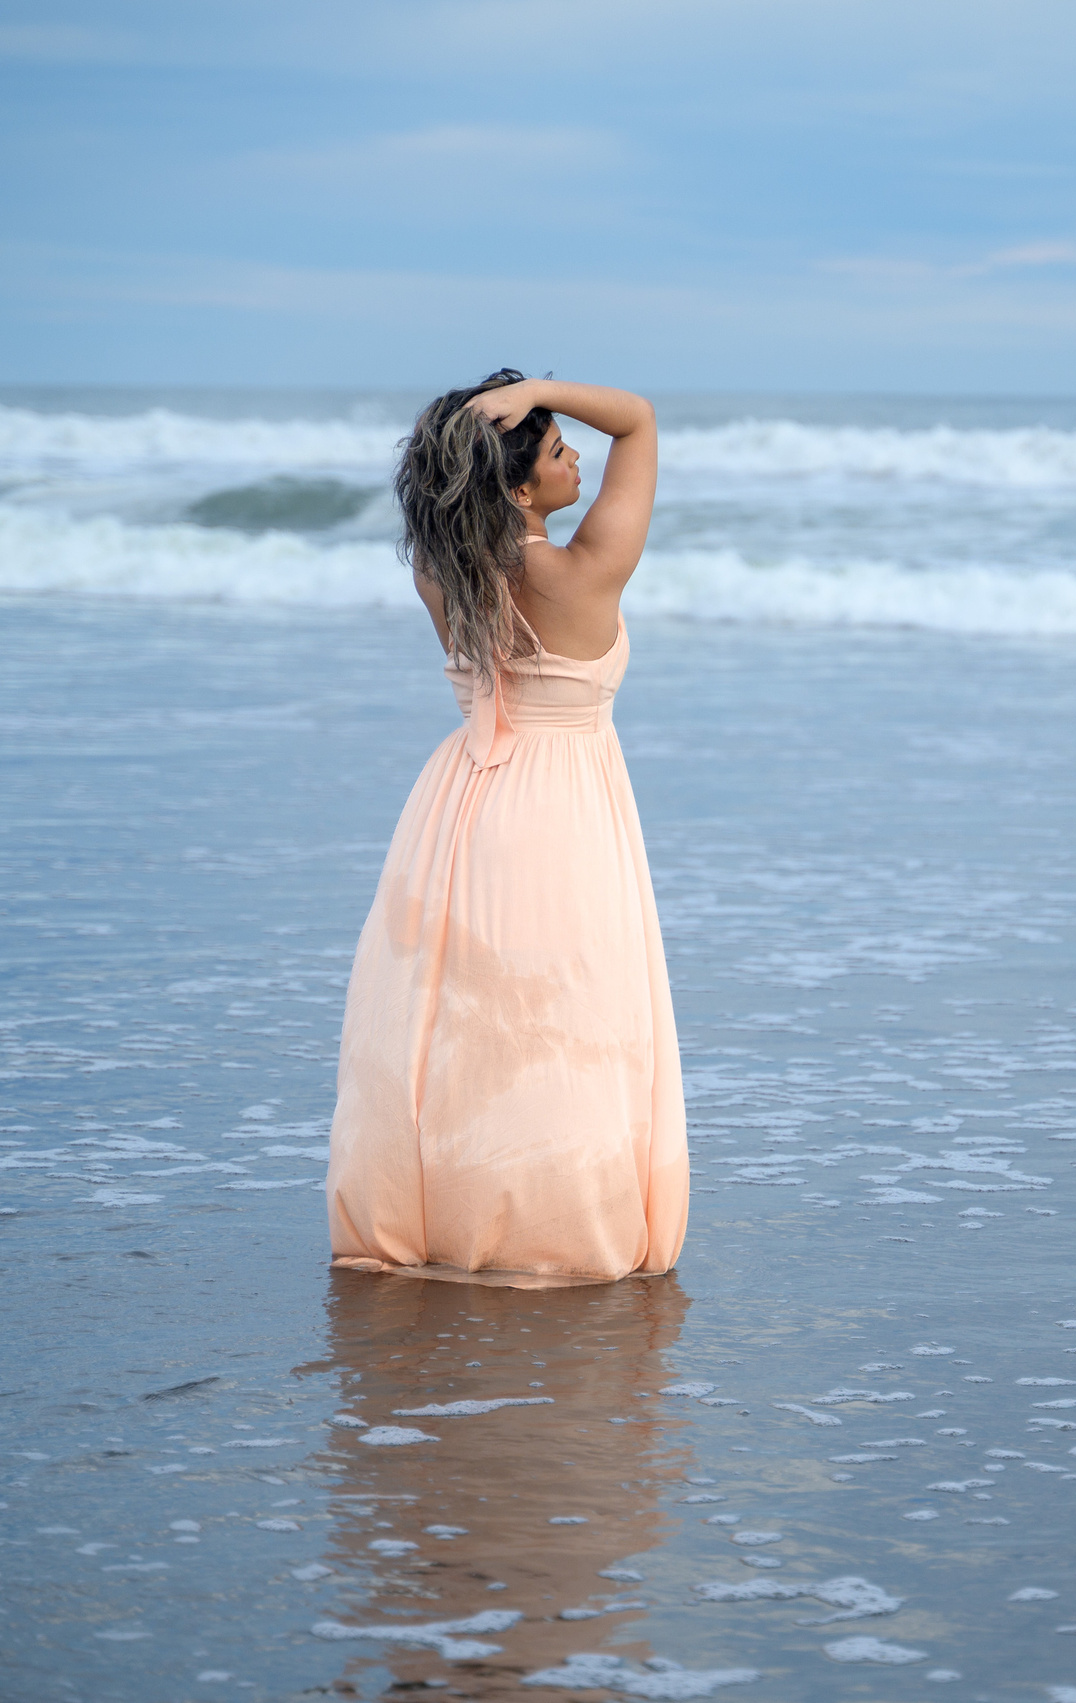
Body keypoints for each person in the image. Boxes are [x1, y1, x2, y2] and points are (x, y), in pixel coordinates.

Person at [326, 371, 686, 1286]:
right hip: (564, 813)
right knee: (566, 1023)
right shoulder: (583, 571)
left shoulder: (440, 574)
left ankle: (443, 1221)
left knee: (460, 1025)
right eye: (559, 450)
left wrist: (495, 416)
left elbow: (487, 500)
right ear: (520, 491)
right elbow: (640, 421)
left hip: (459, 809)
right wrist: (542, 387)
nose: (576, 459)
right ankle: (554, 1229)